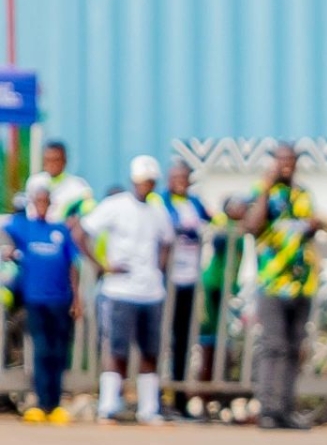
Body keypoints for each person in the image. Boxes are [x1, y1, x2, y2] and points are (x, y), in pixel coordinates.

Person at [76, 156, 175, 425]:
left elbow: (167, 241)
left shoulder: (158, 211)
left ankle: (149, 408)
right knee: (117, 348)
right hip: (120, 290)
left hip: (151, 292)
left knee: (150, 350)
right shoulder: (116, 205)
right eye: (142, 181)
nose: (146, 186)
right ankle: (109, 405)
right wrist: (101, 265)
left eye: (150, 181)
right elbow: (81, 232)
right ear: (133, 181)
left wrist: (159, 269)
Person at [242, 142, 324, 430]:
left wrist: (314, 226)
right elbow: (252, 226)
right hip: (273, 283)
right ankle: (268, 409)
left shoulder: (303, 195)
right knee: (272, 346)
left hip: (302, 284)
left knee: (293, 348)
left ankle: (286, 409)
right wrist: (266, 187)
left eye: (291, 160)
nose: (286, 164)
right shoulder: (263, 192)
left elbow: (303, 232)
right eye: (281, 160)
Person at [6, 182, 81, 424]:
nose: (41, 206)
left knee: (58, 352)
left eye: (44, 202)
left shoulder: (60, 231)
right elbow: (7, 227)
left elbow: (73, 265)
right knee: (41, 351)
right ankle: (41, 402)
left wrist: (76, 298)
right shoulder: (25, 228)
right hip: (35, 300)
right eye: (37, 201)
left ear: (50, 204)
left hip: (59, 300)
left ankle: (55, 404)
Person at [161, 159, 212, 418]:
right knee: (161, 340)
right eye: (175, 177)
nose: (180, 182)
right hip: (165, 281)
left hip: (189, 279)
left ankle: (179, 399)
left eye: (184, 177)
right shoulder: (160, 202)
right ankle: (158, 397)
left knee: (182, 340)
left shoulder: (195, 203)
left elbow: (214, 221)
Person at [198, 196, 248, 392]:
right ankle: (205, 388)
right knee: (211, 334)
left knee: (225, 335)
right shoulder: (223, 224)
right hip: (214, 284)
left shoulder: (241, 229)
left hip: (227, 287)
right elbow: (218, 242)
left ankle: (218, 386)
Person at [26, 141, 93, 225]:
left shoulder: (78, 186)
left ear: (65, 160)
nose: (51, 164)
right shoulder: (34, 182)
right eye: (48, 160)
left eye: (56, 160)